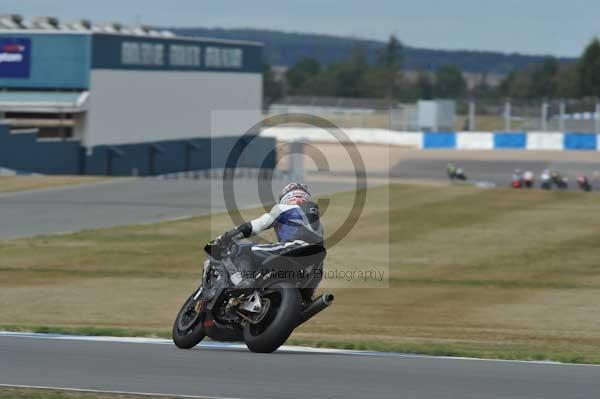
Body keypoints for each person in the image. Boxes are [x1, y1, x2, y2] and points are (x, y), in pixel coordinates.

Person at [218, 183, 324, 294]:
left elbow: (255, 226)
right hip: (313, 268)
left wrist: (228, 235)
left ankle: (246, 281)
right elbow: (321, 258)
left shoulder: (283, 208)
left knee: (242, 249)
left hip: (292, 248)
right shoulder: (319, 226)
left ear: (286, 197)